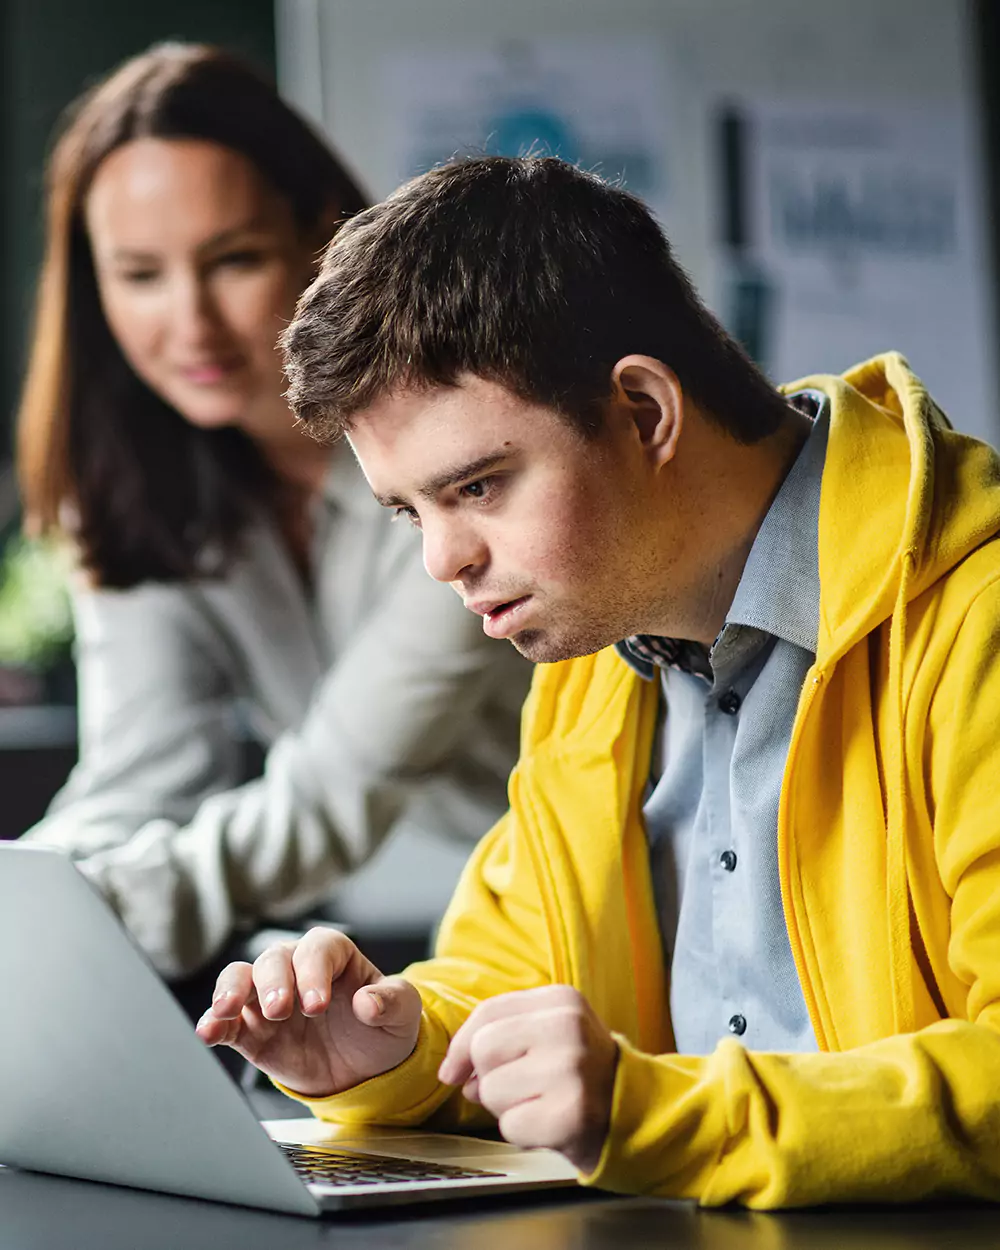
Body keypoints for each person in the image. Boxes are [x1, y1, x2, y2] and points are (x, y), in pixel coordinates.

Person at [196, 155, 1000, 1207]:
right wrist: (387, 1044)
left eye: (476, 485)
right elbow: (516, 968)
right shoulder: (595, 655)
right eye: (408, 511)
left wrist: (656, 1113)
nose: (443, 560)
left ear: (644, 411)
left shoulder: (974, 616)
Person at [17, 48, 531, 980]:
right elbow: (139, 779)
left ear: (327, 236)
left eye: (235, 261)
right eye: (139, 275)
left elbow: (335, 791)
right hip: (482, 926)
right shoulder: (134, 486)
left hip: (624, 888)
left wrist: (71, 928)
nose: (191, 325)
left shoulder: (452, 449)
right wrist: (33, 898)